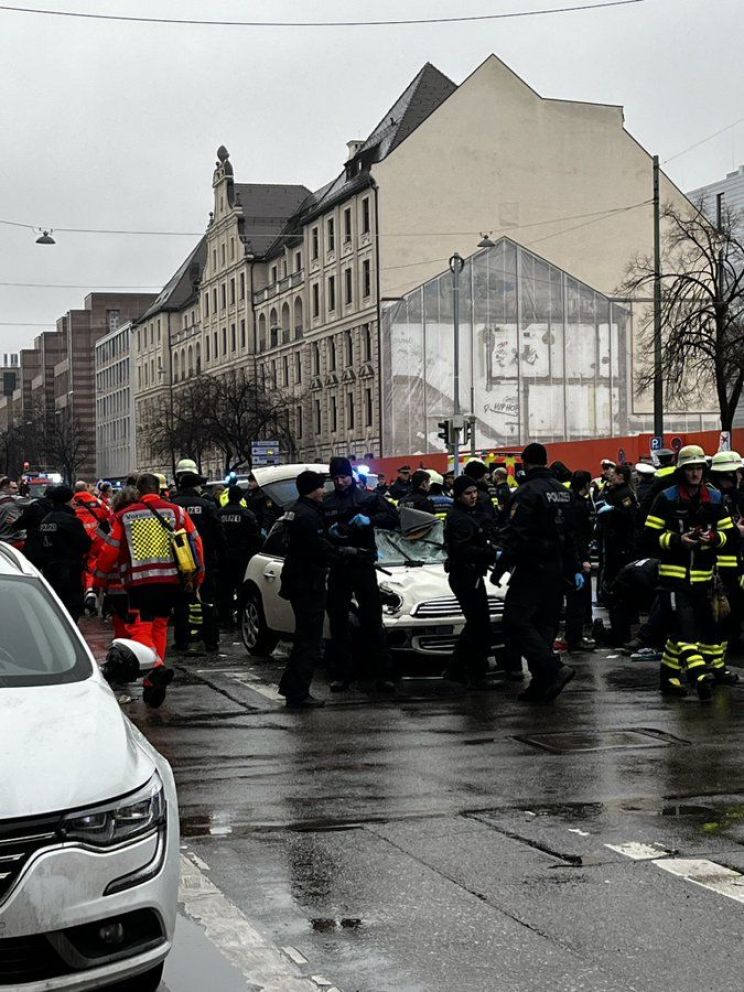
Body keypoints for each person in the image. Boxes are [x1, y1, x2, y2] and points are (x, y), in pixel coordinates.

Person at [94, 473, 204, 707]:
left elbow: (109, 552)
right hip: (170, 582)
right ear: (160, 488)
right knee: (160, 626)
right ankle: (152, 681)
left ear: (139, 491)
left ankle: (156, 667)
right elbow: (196, 543)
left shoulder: (125, 516)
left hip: (140, 583)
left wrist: (99, 581)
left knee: (140, 627)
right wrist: (197, 578)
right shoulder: (176, 512)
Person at [644, 444, 738, 699]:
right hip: (673, 580)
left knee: (689, 631)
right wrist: (677, 540)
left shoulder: (715, 499)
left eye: (698, 468)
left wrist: (714, 537)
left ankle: (669, 677)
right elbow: (649, 536)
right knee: (685, 630)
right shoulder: (666, 498)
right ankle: (699, 676)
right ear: (682, 470)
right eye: (690, 469)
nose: (695, 474)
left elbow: (729, 535)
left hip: (704, 580)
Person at [494, 443, 580, 703]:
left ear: (526, 463)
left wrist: (500, 569)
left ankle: (552, 667)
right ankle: (541, 684)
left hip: (532, 567)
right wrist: (574, 568)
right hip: (557, 569)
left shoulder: (527, 492)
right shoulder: (563, 492)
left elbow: (516, 534)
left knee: (515, 620)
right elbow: (571, 535)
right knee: (544, 625)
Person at [278, 471, 357, 709]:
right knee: (309, 641)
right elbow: (317, 548)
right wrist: (345, 552)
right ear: (313, 489)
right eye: (322, 487)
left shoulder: (294, 510)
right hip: (307, 582)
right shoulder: (308, 515)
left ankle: (292, 688)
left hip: (296, 579)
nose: (325, 491)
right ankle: (299, 693)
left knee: (303, 638)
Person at [323, 455, 398, 691]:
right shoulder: (327, 501)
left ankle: (382, 674)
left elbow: (393, 519)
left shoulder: (367, 498)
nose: (341, 482)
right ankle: (342, 673)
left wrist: (370, 520)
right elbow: (318, 530)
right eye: (336, 478)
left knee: (372, 620)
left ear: (351, 476)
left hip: (363, 563)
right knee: (338, 621)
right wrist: (330, 532)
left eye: (344, 477)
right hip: (339, 565)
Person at [443, 475, 500, 688]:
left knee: (479, 623)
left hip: (472, 574)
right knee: (477, 624)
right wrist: (491, 554)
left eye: (474, 491)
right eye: (468, 493)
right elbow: (463, 549)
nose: (473, 496)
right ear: (458, 495)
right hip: (465, 575)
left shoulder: (468, 514)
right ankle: (459, 668)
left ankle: (471, 669)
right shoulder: (459, 518)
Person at [170, 457, 226, 653]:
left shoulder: (173, 506)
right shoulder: (207, 504)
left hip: (179, 561)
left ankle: (182, 641)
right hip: (205, 559)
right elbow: (219, 534)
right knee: (208, 600)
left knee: (181, 602)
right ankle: (211, 641)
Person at [39, 485, 92, 622]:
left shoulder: (45, 520)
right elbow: (85, 544)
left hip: (50, 570)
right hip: (70, 570)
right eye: (72, 499)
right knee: (71, 608)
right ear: (67, 501)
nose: (74, 502)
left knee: (55, 606)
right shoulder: (71, 521)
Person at [216, 484, 261, 627]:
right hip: (242, 558)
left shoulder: (220, 513)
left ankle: (225, 618)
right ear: (241, 497)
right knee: (241, 588)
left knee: (224, 589)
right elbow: (256, 536)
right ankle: (241, 616)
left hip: (224, 558)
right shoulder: (247, 514)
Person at [562, 470, 595, 653]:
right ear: (586, 484)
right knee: (577, 601)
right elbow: (577, 536)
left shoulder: (571, 501)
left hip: (574, 556)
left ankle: (573, 636)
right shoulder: (578, 505)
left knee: (576, 601)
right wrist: (582, 560)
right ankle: (574, 639)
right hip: (577, 558)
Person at [596, 463, 638, 595]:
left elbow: (630, 516)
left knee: (619, 570)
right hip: (612, 538)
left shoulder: (625, 494)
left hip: (622, 540)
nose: (611, 477)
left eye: (613, 475)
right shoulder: (614, 491)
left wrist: (614, 510)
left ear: (620, 476)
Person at [73, 480, 112, 615]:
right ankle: (91, 591)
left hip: (77, 538)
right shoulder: (97, 502)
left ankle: (85, 592)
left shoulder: (71, 502)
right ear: (87, 488)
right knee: (93, 563)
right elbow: (108, 515)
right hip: (96, 537)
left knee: (80, 566)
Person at [11, 485, 55, 567]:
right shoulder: (62, 508)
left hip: (35, 545)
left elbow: (22, 522)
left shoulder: (35, 506)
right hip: (55, 548)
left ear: (45, 494)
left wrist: (15, 523)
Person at [462, 460, 498, 535]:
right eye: (484, 475)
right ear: (479, 477)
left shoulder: (461, 494)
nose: (486, 478)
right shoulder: (483, 496)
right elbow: (488, 520)